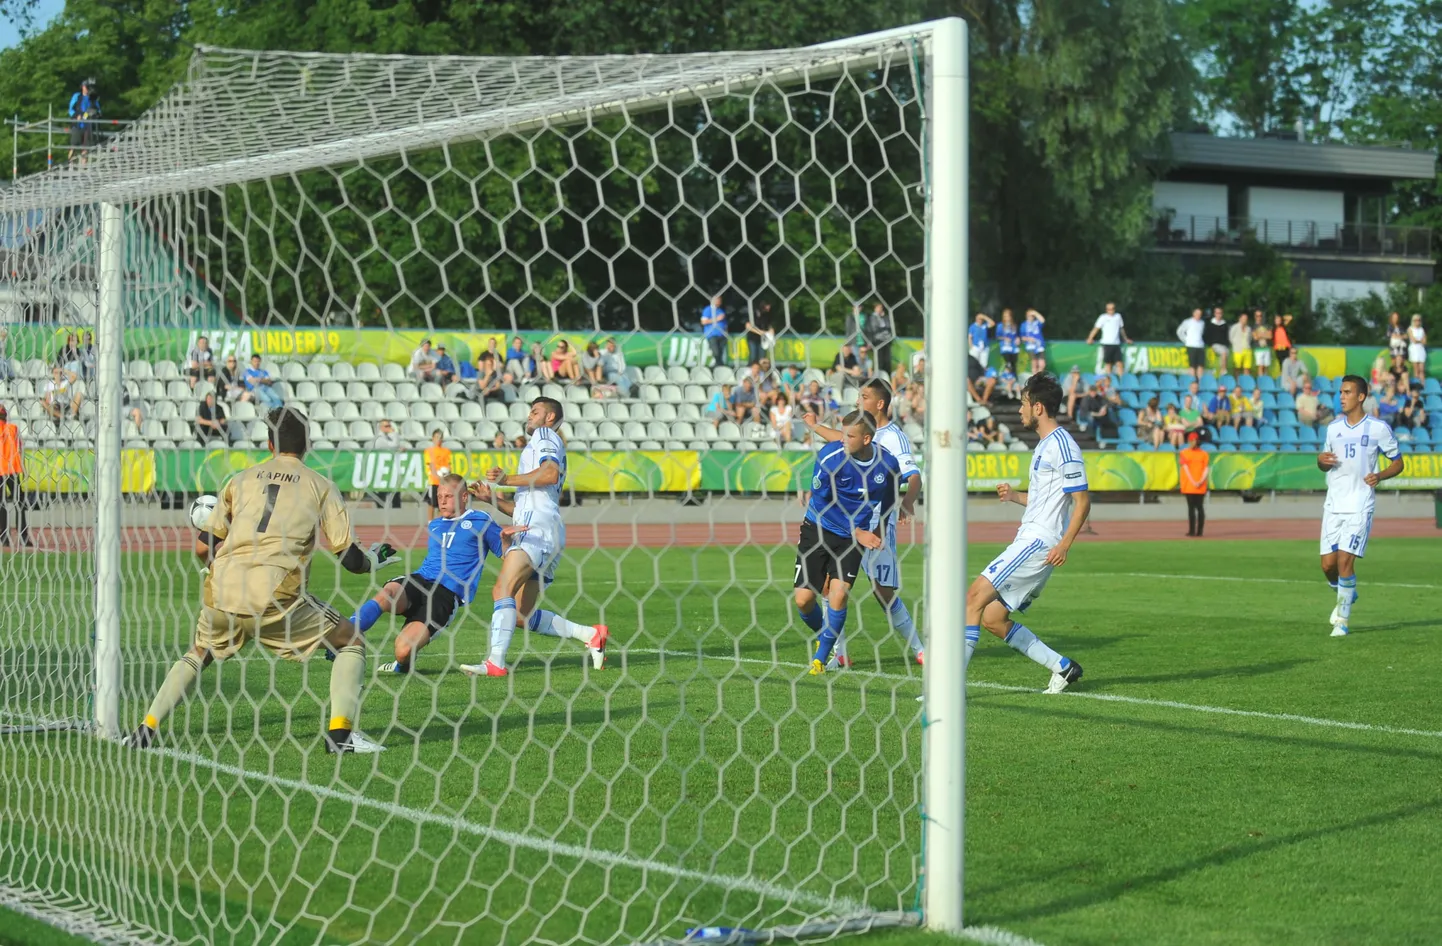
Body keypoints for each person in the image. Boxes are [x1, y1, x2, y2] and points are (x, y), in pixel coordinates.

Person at [128, 407, 398, 753]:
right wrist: (374, 558)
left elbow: (201, 549)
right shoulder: (321, 485)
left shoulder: (239, 480)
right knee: (351, 640)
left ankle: (145, 730)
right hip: (276, 595)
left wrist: (218, 569)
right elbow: (349, 558)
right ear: (307, 443)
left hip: (223, 590)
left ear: (269, 443)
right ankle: (340, 737)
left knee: (199, 653)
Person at [460, 398, 610, 676]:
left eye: (535, 411)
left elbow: (550, 474)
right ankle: (591, 634)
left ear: (550, 417)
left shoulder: (545, 435)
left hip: (536, 529)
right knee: (519, 615)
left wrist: (506, 479)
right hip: (545, 528)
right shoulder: (537, 445)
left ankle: (495, 662)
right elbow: (522, 507)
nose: (529, 416)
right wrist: (493, 498)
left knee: (500, 589)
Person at [964, 372, 1087, 692]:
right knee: (992, 618)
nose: (1020, 410)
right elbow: (1048, 499)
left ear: (1039, 408)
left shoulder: (1063, 445)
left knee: (974, 597)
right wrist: (1015, 497)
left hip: (1039, 541)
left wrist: (1065, 544)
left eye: (1024, 404)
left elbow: (1082, 502)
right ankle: (1062, 667)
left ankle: (949, 689)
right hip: (1031, 538)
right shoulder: (1046, 445)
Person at [802, 380, 925, 666]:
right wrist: (814, 425)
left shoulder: (894, 437)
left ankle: (920, 649)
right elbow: (838, 437)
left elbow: (913, 474)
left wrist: (907, 501)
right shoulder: (857, 432)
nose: (859, 400)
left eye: (865, 396)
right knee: (830, 587)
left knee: (882, 590)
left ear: (880, 404)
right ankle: (839, 654)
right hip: (846, 525)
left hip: (877, 524)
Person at [348, 474, 524, 674]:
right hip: (420, 580)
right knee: (388, 592)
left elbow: (506, 556)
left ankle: (402, 665)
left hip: (446, 594)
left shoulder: (480, 520)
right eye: (440, 495)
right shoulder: (435, 524)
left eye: (448, 496)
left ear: (464, 497)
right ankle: (348, 632)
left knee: (403, 651)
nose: (442, 500)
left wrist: (507, 543)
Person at [796, 411, 902, 675]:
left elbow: (889, 497)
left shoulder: (886, 464)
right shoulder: (829, 458)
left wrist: (877, 528)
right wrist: (859, 532)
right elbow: (821, 505)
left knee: (839, 593)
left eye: (849, 436)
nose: (842, 439)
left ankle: (820, 660)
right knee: (803, 600)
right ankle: (826, 635)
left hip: (852, 539)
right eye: (841, 433)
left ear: (867, 439)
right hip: (818, 528)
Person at [1318, 375, 1404, 637]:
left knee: (1345, 562)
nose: (1341, 396)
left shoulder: (1378, 428)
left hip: (1359, 504)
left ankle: (1342, 620)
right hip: (1334, 504)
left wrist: (1380, 476)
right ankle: (1347, 592)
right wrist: (1321, 460)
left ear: (1361, 396)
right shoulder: (1333, 428)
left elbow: (1398, 462)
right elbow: (1324, 463)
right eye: (1340, 392)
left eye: (1347, 392)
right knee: (1327, 566)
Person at [0, 406, 31, 550]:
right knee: (20, 503)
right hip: (12, 469)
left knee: (2, 504)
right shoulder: (13, 428)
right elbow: (20, 447)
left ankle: (4, 536)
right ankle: (24, 536)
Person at [1085, 302, 1130, 375]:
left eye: (1112, 309)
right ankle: (1109, 382)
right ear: (1106, 310)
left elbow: (1121, 329)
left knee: (1119, 364)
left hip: (1116, 344)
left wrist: (1126, 339)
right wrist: (1090, 338)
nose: (1110, 311)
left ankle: (1121, 382)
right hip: (1107, 344)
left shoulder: (1118, 317)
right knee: (1108, 364)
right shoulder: (1103, 317)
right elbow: (1096, 329)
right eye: (1108, 309)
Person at [1179, 432, 1209, 537]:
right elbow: (1206, 469)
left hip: (1190, 485)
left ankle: (1192, 531)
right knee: (1199, 507)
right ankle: (1199, 531)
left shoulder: (1184, 453)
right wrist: (1200, 481)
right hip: (1199, 484)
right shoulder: (1204, 454)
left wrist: (1193, 481)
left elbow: (1186, 469)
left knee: (1192, 508)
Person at [66, 78, 100, 162]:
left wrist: (95, 114)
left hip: (88, 126)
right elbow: (71, 109)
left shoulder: (92, 98)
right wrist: (76, 116)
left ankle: (83, 168)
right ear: (83, 87)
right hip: (78, 124)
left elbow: (98, 110)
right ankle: (70, 165)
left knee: (85, 149)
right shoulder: (77, 96)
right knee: (74, 145)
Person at [423, 430, 452, 523]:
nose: (439, 439)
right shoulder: (429, 451)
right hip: (433, 481)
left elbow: (449, 465)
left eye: (440, 437)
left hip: (444, 481)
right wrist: (437, 476)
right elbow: (431, 465)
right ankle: (430, 522)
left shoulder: (447, 451)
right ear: (433, 438)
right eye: (437, 437)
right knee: (432, 502)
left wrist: (446, 475)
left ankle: (440, 522)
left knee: (442, 502)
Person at [863, 302, 895, 377]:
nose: (880, 309)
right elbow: (875, 328)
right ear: (875, 308)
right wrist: (884, 328)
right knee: (879, 360)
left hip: (886, 340)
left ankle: (887, 377)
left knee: (887, 360)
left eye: (881, 308)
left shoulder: (885, 317)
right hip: (877, 341)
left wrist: (883, 318)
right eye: (878, 307)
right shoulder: (872, 317)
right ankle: (878, 377)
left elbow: (889, 326)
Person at [1176, 308, 1207, 381]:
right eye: (1197, 313)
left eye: (1200, 314)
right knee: (1192, 366)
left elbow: (1201, 333)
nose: (1198, 315)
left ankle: (1200, 382)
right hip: (1191, 346)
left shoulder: (1202, 323)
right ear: (1193, 314)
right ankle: (1193, 382)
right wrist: (1186, 340)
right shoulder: (1187, 322)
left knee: (1201, 366)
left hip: (1200, 346)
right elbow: (1179, 331)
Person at [701, 294, 729, 367]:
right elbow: (703, 322)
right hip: (712, 334)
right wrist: (717, 319)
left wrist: (726, 332)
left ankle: (718, 366)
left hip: (722, 335)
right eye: (718, 300)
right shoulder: (708, 309)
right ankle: (718, 366)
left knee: (721, 352)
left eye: (720, 300)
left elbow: (725, 323)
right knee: (716, 352)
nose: (720, 302)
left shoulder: (721, 310)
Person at [744, 301, 775, 367]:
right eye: (768, 305)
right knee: (753, 356)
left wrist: (771, 330)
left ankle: (761, 373)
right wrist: (759, 332)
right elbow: (748, 326)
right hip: (752, 338)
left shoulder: (767, 315)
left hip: (763, 340)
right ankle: (750, 370)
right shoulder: (754, 313)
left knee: (762, 357)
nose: (769, 307)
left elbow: (769, 325)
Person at [1203, 308, 1230, 377]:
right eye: (1217, 313)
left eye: (1220, 313)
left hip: (1224, 345)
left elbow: (1227, 336)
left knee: (1226, 354)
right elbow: (1206, 335)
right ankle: (1223, 370)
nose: (1219, 315)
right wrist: (1210, 344)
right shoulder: (1210, 324)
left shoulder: (1224, 324)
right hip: (1215, 344)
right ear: (1215, 314)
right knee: (1223, 353)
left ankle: (1222, 373)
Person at [1021, 309, 1047, 374]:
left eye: (1032, 315)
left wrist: (1035, 313)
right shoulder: (1024, 325)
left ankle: (1038, 378)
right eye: (1029, 315)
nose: (1031, 317)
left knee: (1042, 364)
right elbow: (1022, 337)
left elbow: (1043, 320)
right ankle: (1034, 380)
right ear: (1026, 316)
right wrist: (1029, 339)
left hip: (1039, 346)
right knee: (1034, 363)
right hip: (1030, 346)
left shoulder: (1037, 323)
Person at [1252, 314, 1274, 379]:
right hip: (1258, 349)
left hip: (1266, 349)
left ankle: (1266, 380)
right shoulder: (1253, 326)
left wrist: (1260, 335)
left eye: (1260, 316)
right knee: (1260, 366)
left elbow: (1270, 336)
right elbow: (1255, 337)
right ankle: (1261, 381)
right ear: (1255, 317)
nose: (1259, 317)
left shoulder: (1267, 325)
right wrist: (1264, 334)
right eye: (1257, 316)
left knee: (1266, 366)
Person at [1407, 314, 1428, 383]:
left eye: (1419, 320)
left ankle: (1423, 384)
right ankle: (1417, 385)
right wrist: (1420, 340)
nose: (1417, 322)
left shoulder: (1422, 329)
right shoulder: (1410, 329)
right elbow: (1413, 340)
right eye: (1416, 320)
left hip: (1421, 350)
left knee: (1422, 369)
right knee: (1416, 370)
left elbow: (1425, 341)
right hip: (1414, 350)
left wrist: (1419, 341)